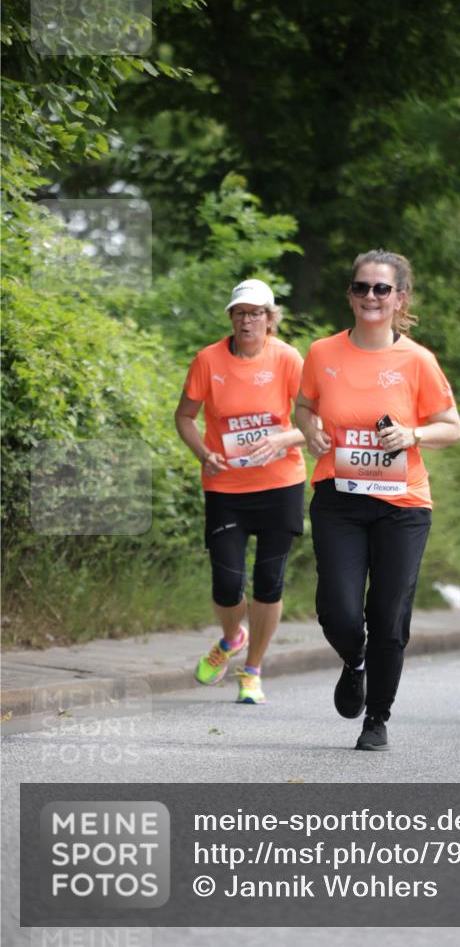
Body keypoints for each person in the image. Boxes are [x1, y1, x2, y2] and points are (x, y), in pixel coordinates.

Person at [295, 249, 460, 751]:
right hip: (339, 498)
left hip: (402, 505)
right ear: (350, 295)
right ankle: (356, 659)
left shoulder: (417, 360)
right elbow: (303, 407)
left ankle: (377, 718)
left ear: (399, 298)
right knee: (338, 610)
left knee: (388, 614)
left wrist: (411, 434)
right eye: (362, 287)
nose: (371, 296)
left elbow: (451, 427)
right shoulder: (322, 354)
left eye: (382, 289)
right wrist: (311, 432)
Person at [175, 278, 306, 705]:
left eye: (256, 313)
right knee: (227, 582)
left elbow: (317, 423)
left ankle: (252, 670)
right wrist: (203, 453)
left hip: (280, 484)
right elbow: (185, 417)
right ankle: (232, 638)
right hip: (226, 484)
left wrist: (281, 440)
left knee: (269, 582)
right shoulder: (207, 360)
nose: (247, 320)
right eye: (240, 313)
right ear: (231, 318)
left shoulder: (287, 359)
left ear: (271, 320)